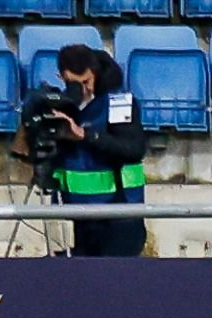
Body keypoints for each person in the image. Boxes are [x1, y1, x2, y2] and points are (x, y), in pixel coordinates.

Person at [48, 44, 147, 258]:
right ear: (61, 77)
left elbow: (133, 149)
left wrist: (86, 135)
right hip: (81, 215)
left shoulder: (118, 102)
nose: (84, 90)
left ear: (95, 74)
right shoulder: (65, 108)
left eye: (87, 82)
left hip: (120, 213)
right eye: (75, 83)